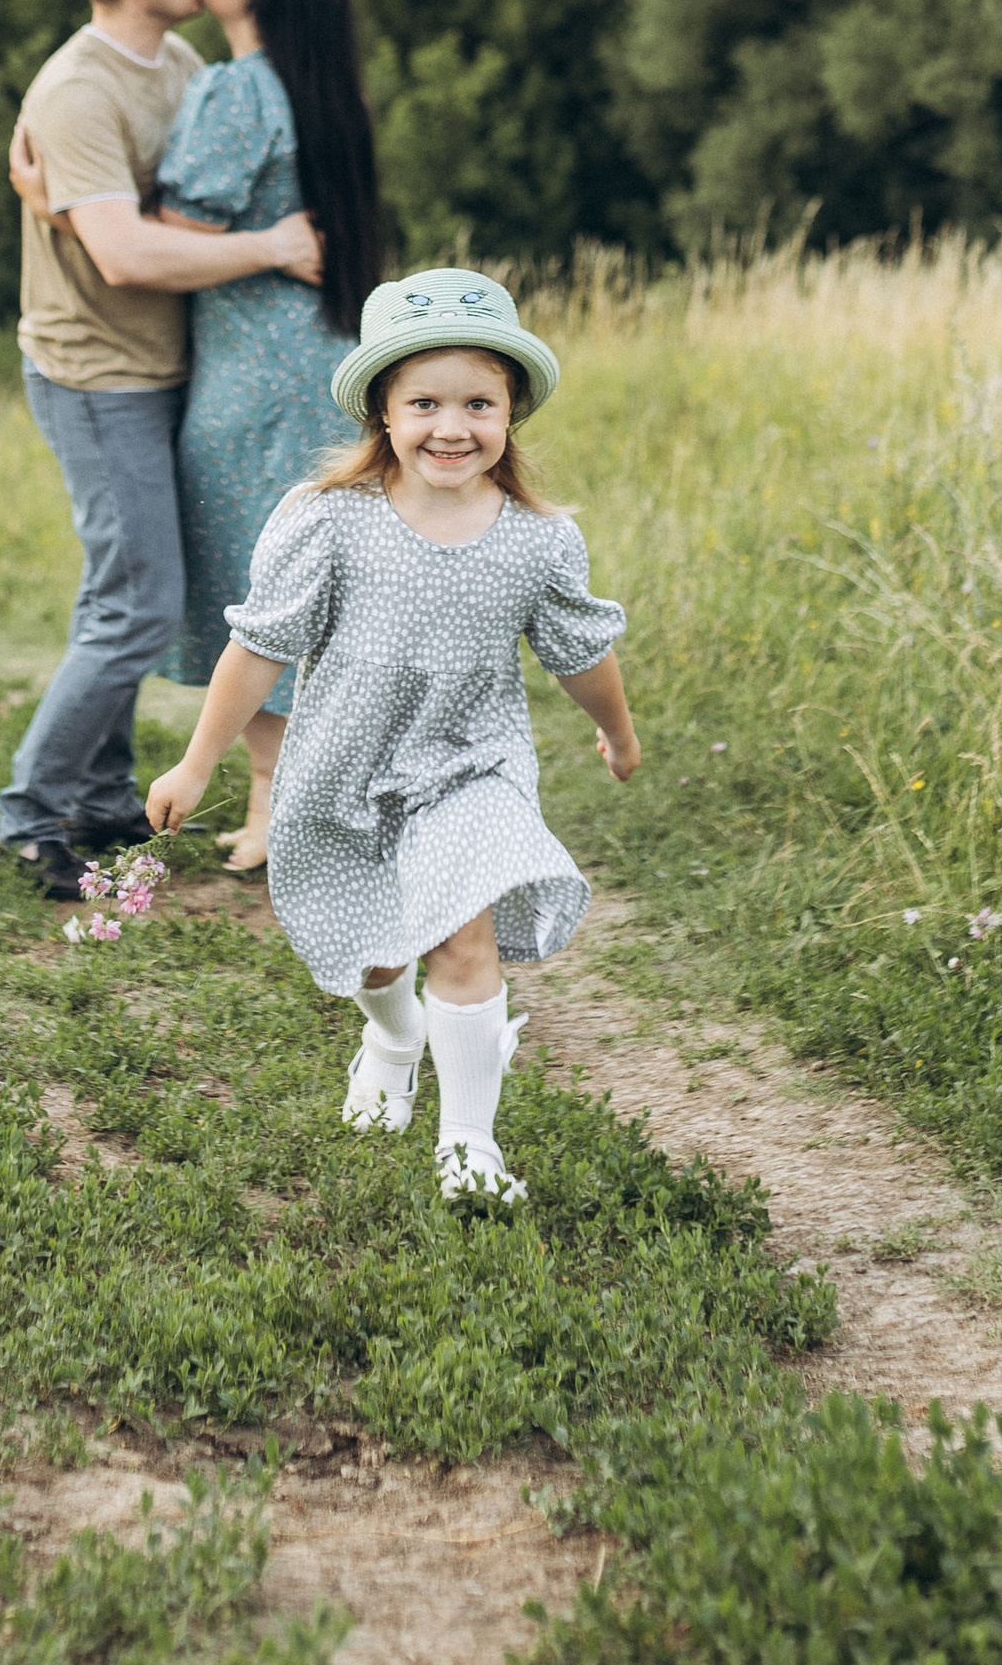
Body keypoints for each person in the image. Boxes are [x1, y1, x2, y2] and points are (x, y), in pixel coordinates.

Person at [145, 266, 641, 1210]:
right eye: (424, 402)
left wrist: (616, 734)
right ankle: (391, 1036)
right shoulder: (329, 522)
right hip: (345, 767)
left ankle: (469, 1146)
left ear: (511, 413)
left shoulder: (538, 540)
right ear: (382, 411)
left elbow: (582, 652)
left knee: (463, 940)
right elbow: (258, 650)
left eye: (478, 403)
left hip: (471, 767)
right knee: (376, 952)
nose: (451, 427)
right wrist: (197, 759)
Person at [13, 0, 385, 873]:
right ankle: (256, 807)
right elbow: (136, 244)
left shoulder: (217, 85)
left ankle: (267, 811)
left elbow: (162, 235)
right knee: (282, 590)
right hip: (291, 359)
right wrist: (61, 202)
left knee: (249, 595)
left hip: (242, 376)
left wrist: (54, 202)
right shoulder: (308, 84)